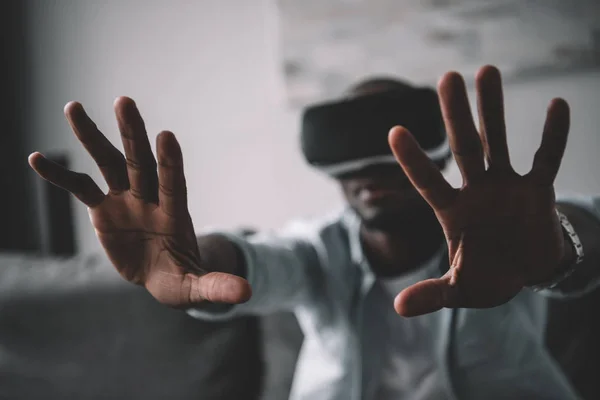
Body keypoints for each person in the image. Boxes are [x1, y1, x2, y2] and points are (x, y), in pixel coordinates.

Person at [28, 65, 600, 400]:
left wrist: (558, 252)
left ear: (439, 156)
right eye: (354, 152)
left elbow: (580, 229)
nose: (373, 173)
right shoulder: (320, 250)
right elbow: (266, 261)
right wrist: (195, 261)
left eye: (394, 150)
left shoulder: (500, 239)